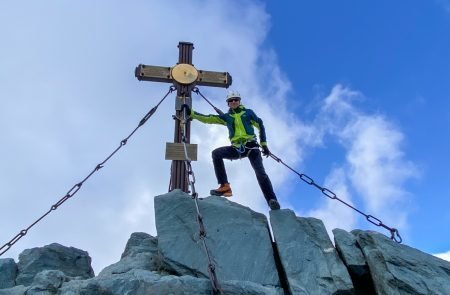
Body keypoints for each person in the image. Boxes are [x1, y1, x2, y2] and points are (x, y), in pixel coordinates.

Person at [186, 90, 281, 210]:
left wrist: (264, 144)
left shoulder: (248, 113)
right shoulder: (227, 117)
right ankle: (225, 186)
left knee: (260, 173)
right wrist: (192, 113)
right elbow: (209, 118)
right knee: (216, 154)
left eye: (236, 99)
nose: (234, 101)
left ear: (239, 101)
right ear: (228, 103)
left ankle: (272, 200)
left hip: (251, 146)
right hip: (237, 148)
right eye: (231, 100)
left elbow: (260, 124)